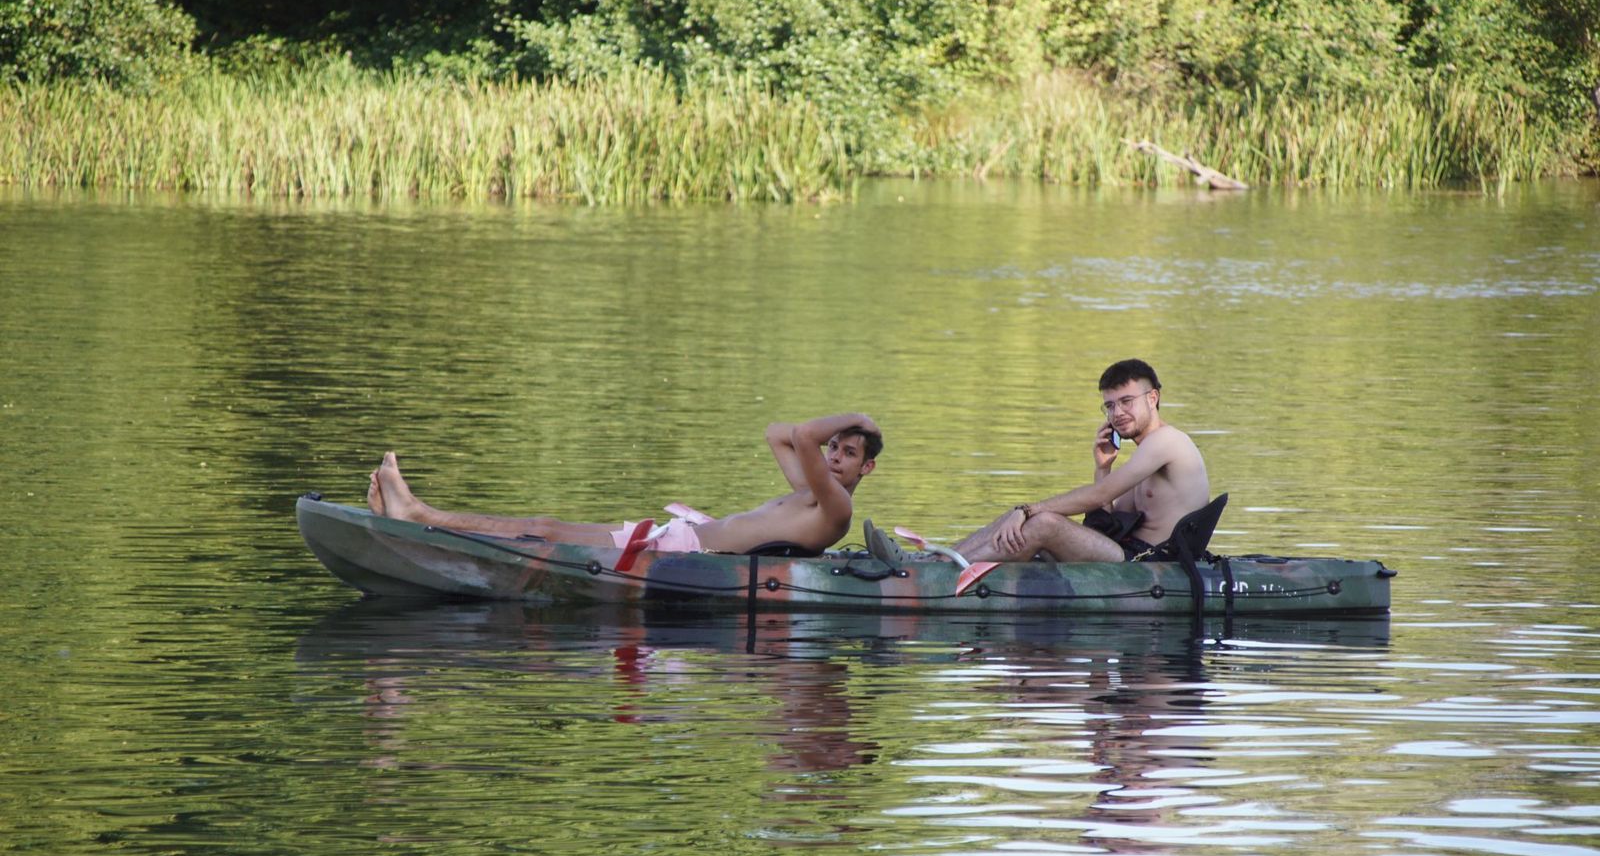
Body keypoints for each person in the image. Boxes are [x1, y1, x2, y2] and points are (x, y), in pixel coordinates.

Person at [364, 412, 882, 556]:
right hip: (674, 540)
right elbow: (777, 434)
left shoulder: (835, 507)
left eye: (849, 453)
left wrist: (857, 417)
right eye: (834, 447)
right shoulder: (812, 493)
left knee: (546, 529)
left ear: (867, 469)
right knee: (546, 526)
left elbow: (801, 435)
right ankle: (417, 515)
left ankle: (419, 516)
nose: (835, 456)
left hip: (680, 554)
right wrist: (851, 426)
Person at [951, 359, 1208, 563]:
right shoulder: (1145, 455)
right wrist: (1103, 467)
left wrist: (1027, 510)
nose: (1117, 413)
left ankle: (947, 577)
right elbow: (1107, 525)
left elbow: (1100, 495)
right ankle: (942, 560)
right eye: (1110, 406)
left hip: (1150, 563)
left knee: (1043, 522)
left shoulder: (1167, 440)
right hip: (1124, 551)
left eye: (1126, 401)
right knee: (1019, 517)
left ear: (1152, 398)